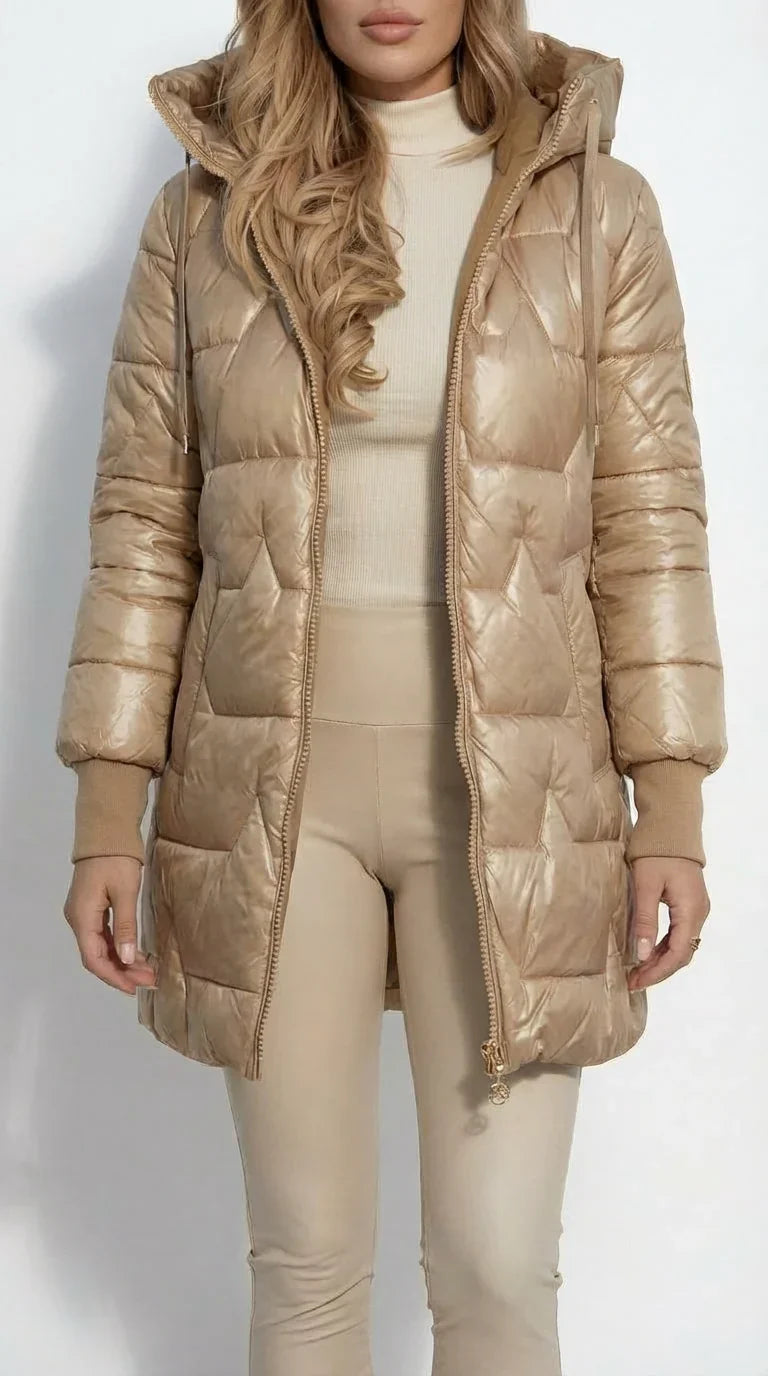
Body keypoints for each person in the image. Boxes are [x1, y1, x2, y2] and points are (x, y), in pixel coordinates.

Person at [54, 3, 728, 1372]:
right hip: (268, 790)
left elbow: (651, 522)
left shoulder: (595, 211)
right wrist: (109, 810)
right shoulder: (207, 219)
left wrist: (670, 800)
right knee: (304, 1267)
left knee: (496, 1268)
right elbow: (144, 523)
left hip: (522, 794)